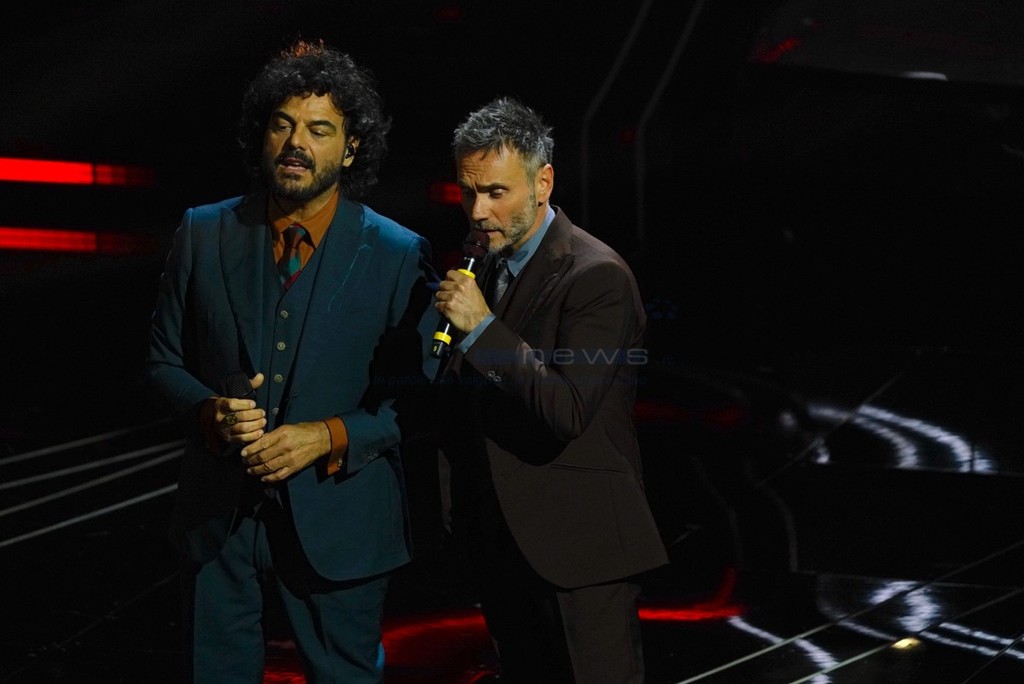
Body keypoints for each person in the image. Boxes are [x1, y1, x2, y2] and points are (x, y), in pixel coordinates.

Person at [145, 39, 438, 683]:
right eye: (282, 124)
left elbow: (418, 398)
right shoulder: (203, 231)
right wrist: (209, 413)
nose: (295, 143)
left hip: (341, 524)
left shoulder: (397, 253)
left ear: (351, 148)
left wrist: (328, 436)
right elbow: (163, 362)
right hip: (217, 523)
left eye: (319, 129)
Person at [432, 96, 669, 683]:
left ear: (543, 183)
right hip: (501, 543)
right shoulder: (486, 264)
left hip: (580, 549)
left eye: (496, 192)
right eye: (469, 192)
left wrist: (482, 329)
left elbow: (567, 408)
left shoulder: (596, 275)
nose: (479, 211)